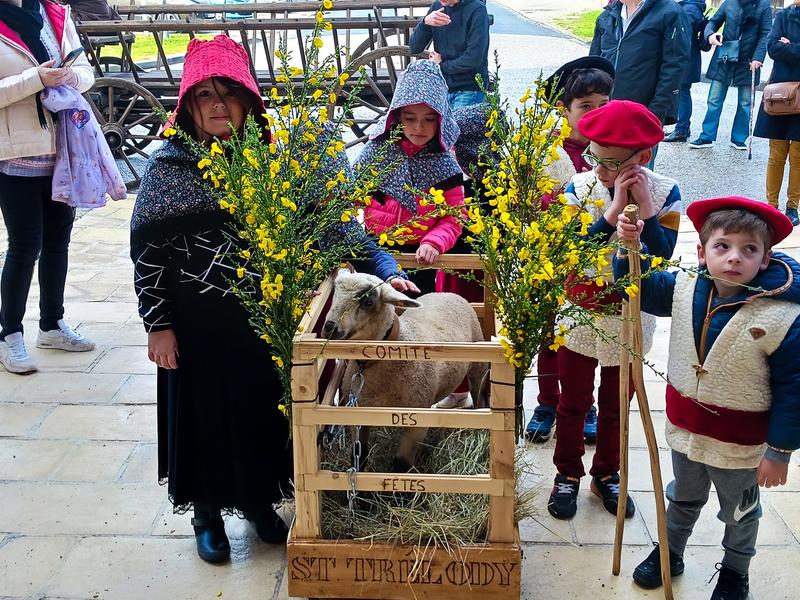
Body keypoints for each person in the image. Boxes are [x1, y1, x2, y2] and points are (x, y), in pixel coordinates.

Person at [130, 35, 413, 565]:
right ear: (188, 106)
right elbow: (147, 252)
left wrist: (386, 270)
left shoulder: (271, 165)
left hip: (260, 319)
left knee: (261, 410)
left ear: (248, 103)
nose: (217, 106)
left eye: (228, 95)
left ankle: (258, 502)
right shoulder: (168, 170)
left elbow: (333, 228)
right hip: (194, 326)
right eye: (204, 96)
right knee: (204, 413)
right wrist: (158, 323)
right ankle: (207, 512)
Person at [615, 197, 800, 600]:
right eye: (723, 246)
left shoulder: (782, 315)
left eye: (748, 250)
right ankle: (670, 550)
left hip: (741, 443)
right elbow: (639, 286)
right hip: (686, 430)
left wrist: (780, 451)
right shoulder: (684, 285)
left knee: (740, 510)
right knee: (682, 495)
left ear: (765, 259)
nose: (734, 258)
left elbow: (794, 385)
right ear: (701, 252)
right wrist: (630, 249)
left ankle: (735, 570)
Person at [548, 100, 682, 520]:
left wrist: (648, 215)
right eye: (593, 157)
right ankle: (566, 473)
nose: (599, 170)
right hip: (581, 314)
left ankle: (607, 472)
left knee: (615, 403)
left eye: (611, 163)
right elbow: (568, 252)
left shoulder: (666, 192)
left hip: (629, 316)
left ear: (642, 158)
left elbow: (662, 261)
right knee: (572, 401)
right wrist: (608, 216)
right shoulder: (578, 187)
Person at [0, 0, 96, 375]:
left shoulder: (53, 14)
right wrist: (36, 79)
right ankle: (9, 335)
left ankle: (52, 325)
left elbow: (85, 72)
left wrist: (70, 77)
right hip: (15, 153)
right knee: (25, 246)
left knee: (59, 241)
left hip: (63, 149)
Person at [523, 56, 615, 445]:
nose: (596, 114)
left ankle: (585, 405)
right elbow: (531, 202)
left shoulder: (612, 149)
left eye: (603, 104)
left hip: (597, 260)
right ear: (565, 111)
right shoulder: (548, 152)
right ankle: (547, 402)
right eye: (585, 107)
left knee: (586, 334)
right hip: (550, 256)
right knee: (551, 332)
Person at [356, 59, 465, 294]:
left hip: (420, 257)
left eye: (429, 119)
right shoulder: (377, 151)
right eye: (410, 118)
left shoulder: (445, 165)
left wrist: (434, 242)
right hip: (375, 250)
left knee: (417, 314)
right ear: (396, 117)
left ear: (441, 119)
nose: (419, 127)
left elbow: (454, 217)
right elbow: (351, 195)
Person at [589, 0, 689, 128]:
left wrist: (654, 114)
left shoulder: (669, 12)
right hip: (604, 111)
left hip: (642, 114)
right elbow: (593, 66)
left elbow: (674, 68)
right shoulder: (607, 16)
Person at [689, 0, 772, 150]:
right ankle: (707, 136)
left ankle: (739, 138)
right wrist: (710, 35)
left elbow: (765, 34)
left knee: (745, 103)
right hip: (725, 57)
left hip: (749, 60)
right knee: (714, 100)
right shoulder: (730, 2)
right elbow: (713, 22)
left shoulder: (763, 5)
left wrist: (758, 57)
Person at [754, 0, 800, 226]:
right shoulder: (784, 15)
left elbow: (783, 50)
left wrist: (790, 46)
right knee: (777, 154)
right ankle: (771, 206)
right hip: (782, 94)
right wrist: (788, 47)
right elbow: (773, 48)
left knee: (799, 156)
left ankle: (793, 207)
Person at [408, 0, 490, 109]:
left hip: (469, 87)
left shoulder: (477, 9)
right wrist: (425, 23)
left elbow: (474, 58)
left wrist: (441, 66)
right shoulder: (437, 6)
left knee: (458, 126)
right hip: (443, 87)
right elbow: (414, 48)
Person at [664, 0, 708, 143]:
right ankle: (683, 127)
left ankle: (681, 130)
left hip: (685, 57)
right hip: (688, 56)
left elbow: (680, 34)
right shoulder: (691, 7)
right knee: (683, 92)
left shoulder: (689, 8)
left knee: (682, 93)